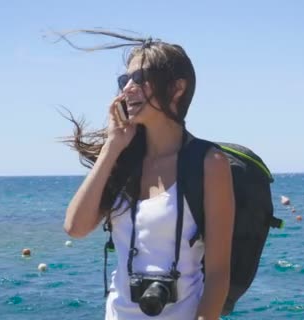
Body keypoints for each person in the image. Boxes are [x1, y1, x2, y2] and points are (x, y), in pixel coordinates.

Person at [60, 30, 235, 320]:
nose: (127, 89)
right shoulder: (123, 160)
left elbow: (218, 275)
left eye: (139, 79)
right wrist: (111, 148)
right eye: (124, 80)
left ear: (177, 88)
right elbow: (75, 228)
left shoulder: (209, 163)